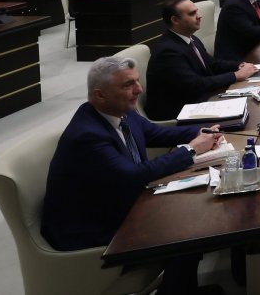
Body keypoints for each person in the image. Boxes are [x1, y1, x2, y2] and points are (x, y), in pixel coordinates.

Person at [42, 56, 224, 292]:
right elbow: (132, 176)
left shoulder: (121, 112)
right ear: (99, 95)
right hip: (93, 229)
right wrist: (191, 149)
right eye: (128, 85)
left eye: (137, 81)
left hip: (119, 203)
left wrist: (204, 132)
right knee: (187, 230)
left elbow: (158, 134)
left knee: (194, 213)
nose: (138, 90)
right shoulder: (88, 135)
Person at [145, 0, 259, 121]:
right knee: (248, 112)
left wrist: (239, 66)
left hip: (198, 100)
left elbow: (212, 64)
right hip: (179, 111)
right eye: (192, 13)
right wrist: (236, 75)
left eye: (197, 11)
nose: (199, 16)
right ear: (175, 20)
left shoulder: (191, 39)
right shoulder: (167, 51)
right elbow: (195, 84)